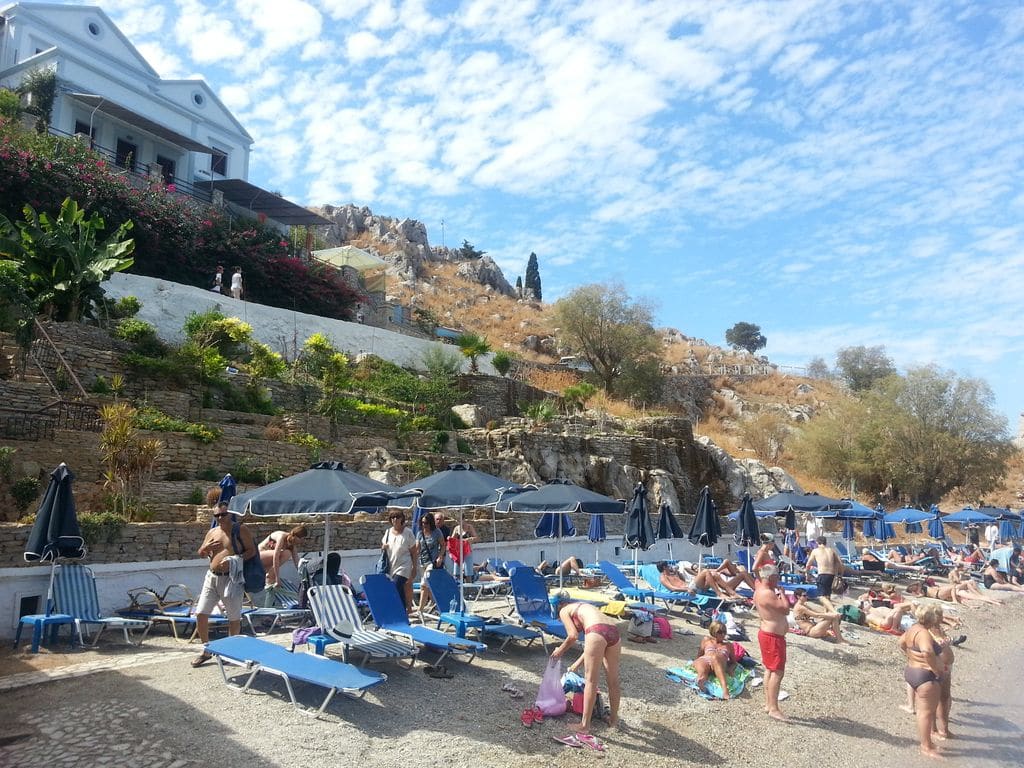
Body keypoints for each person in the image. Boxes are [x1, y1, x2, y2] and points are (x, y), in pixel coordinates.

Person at [191, 502, 256, 667]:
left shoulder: (240, 530)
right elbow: (201, 553)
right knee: (201, 613)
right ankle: (206, 650)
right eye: (217, 515)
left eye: (223, 514)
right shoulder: (213, 531)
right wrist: (205, 548)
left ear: (230, 514)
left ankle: (230, 652)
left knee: (234, 617)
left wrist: (235, 560)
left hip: (231, 578)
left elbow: (251, 551)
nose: (220, 518)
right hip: (211, 577)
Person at [551, 594, 621, 738]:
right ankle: (613, 721)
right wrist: (575, 665)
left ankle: (584, 726)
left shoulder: (564, 611)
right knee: (613, 681)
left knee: (590, 681)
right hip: (613, 630)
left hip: (597, 631)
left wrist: (559, 652)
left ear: (558, 606)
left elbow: (573, 636)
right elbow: (593, 647)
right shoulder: (584, 607)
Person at [898, 603, 947, 759]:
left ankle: (928, 743)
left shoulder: (912, 629)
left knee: (924, 712)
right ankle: (925, 746)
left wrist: (910, 656)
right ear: (931, 619)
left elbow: (901, 642)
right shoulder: (924, 633)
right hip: (925, 676)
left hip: (912, 671)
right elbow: (927, 651)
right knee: (925, 713)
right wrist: (935, 668)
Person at [754, 564, 790, 721]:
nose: (779, 580)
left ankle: (769, 704)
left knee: (770, 669)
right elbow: (785, 609)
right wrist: (782, 594)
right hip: (772, 636)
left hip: (770, 635)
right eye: (777, 577)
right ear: (771, 578)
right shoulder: (767, 593)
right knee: (777, 672)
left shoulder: (760, 590)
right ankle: (773, 708)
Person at [382, 511, 417, 612]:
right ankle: (403, 611)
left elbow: (414, 552)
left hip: (404, 566)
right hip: (391, 565)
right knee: (398, 588)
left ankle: (400, 610)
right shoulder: (388, 532)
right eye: (392, 517)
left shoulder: (408, 532)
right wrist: (383, 547)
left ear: (402, 518)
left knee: (396, 585)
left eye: (397, 517)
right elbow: (383, 546)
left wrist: (414, 568)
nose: (395, 519)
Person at [693, 621, 736, 698]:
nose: (723, 634)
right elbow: (699, 655)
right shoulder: (706, 640)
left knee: (715, 658)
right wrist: (696, 662)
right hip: (705, 660)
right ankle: (701, 680)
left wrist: (730, 669)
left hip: (719, 663)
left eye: (724, 632)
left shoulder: (728, 645)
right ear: (713, 632)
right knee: (701, 662)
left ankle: (725, 690)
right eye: (720, 632)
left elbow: (734, 662)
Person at [416, 512, 446, 615]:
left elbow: (443, 545)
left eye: (427, 523)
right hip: (421, 562)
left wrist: (440, 557)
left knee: (423, 585)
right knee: (429, 586)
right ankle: (436, 605)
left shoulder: (436, 532)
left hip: (432, 563)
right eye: (423, 522)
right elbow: (417, 548)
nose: (425, 525)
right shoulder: (420, 533)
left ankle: (420, 610)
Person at [804, 536, 844, 609]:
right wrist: (840, 575)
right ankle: (827, 613)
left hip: (822, 574)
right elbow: (840, 563)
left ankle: (832, 611)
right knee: (827, 596)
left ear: (817, 542)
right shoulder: (832, 550)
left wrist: (807, 574)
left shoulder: (815, 551)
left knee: (821, 597)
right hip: (832, 575)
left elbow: (808, 565)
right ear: (826, 542)